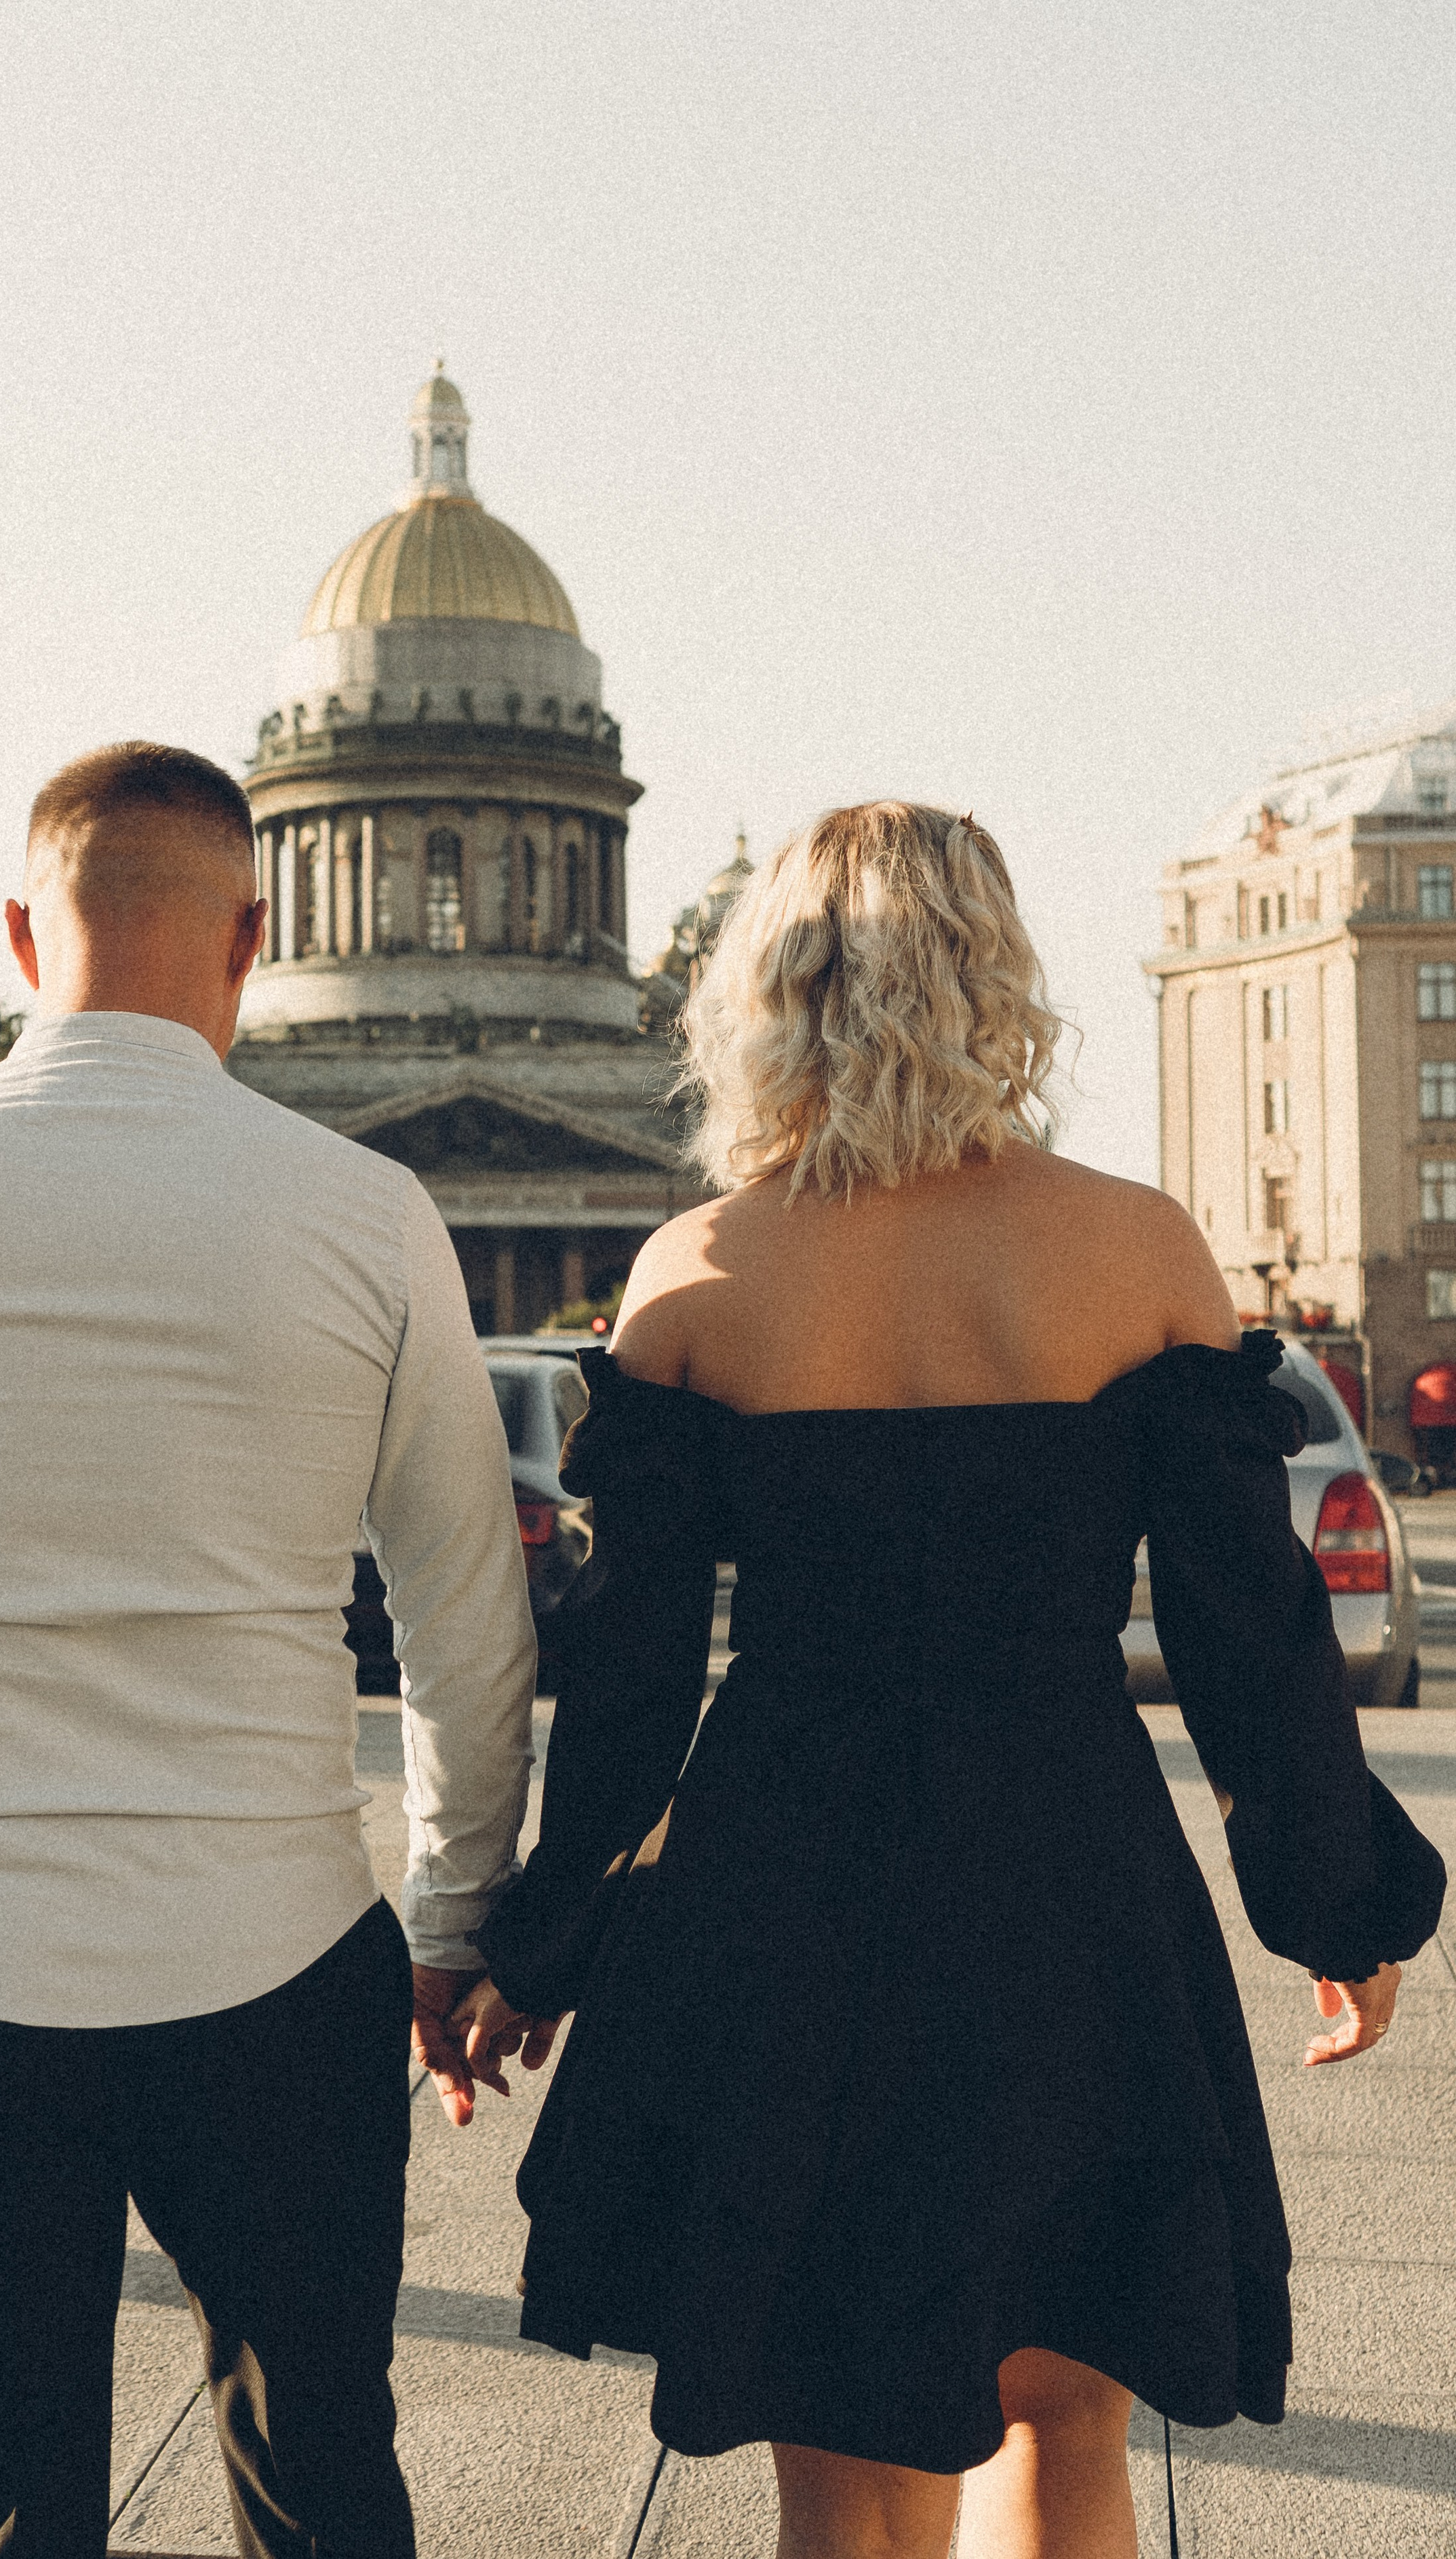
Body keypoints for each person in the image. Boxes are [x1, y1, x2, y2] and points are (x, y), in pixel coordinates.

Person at [448, 802, 1447, 2559]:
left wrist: (542, 1948)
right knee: (1068, 2409)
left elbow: (627, 1691)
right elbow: (1249, 1637)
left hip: (782, 1885)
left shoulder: (698, 1274)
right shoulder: (1139, 1252)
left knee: (841, 2443)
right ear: (999, 981)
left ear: (766, 994)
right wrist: (1331, 1906)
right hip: (1065, 1872)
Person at [0, 742, 536, 2559]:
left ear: (22, 932)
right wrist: (456, 1909)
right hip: (275, 1953)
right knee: (319, 2468)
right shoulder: (368, 1217)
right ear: (255, 934)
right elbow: (463, 1618)